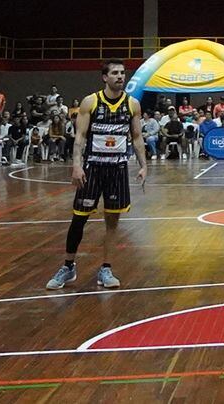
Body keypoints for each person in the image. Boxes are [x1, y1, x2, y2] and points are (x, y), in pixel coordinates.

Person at [44, 60, 147, 291]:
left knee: (112, 222)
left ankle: (106, 269)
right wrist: (77, 166)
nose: (120, 76)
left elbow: (137, 137)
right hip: (92, 169)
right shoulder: (91, 102)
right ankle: (68, 266)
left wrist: (143, 165)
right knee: (78, 219)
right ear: (104, 77)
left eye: (122, 73)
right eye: (115, 73)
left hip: (117, 170)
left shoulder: (133, 104)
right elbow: (80, 137)